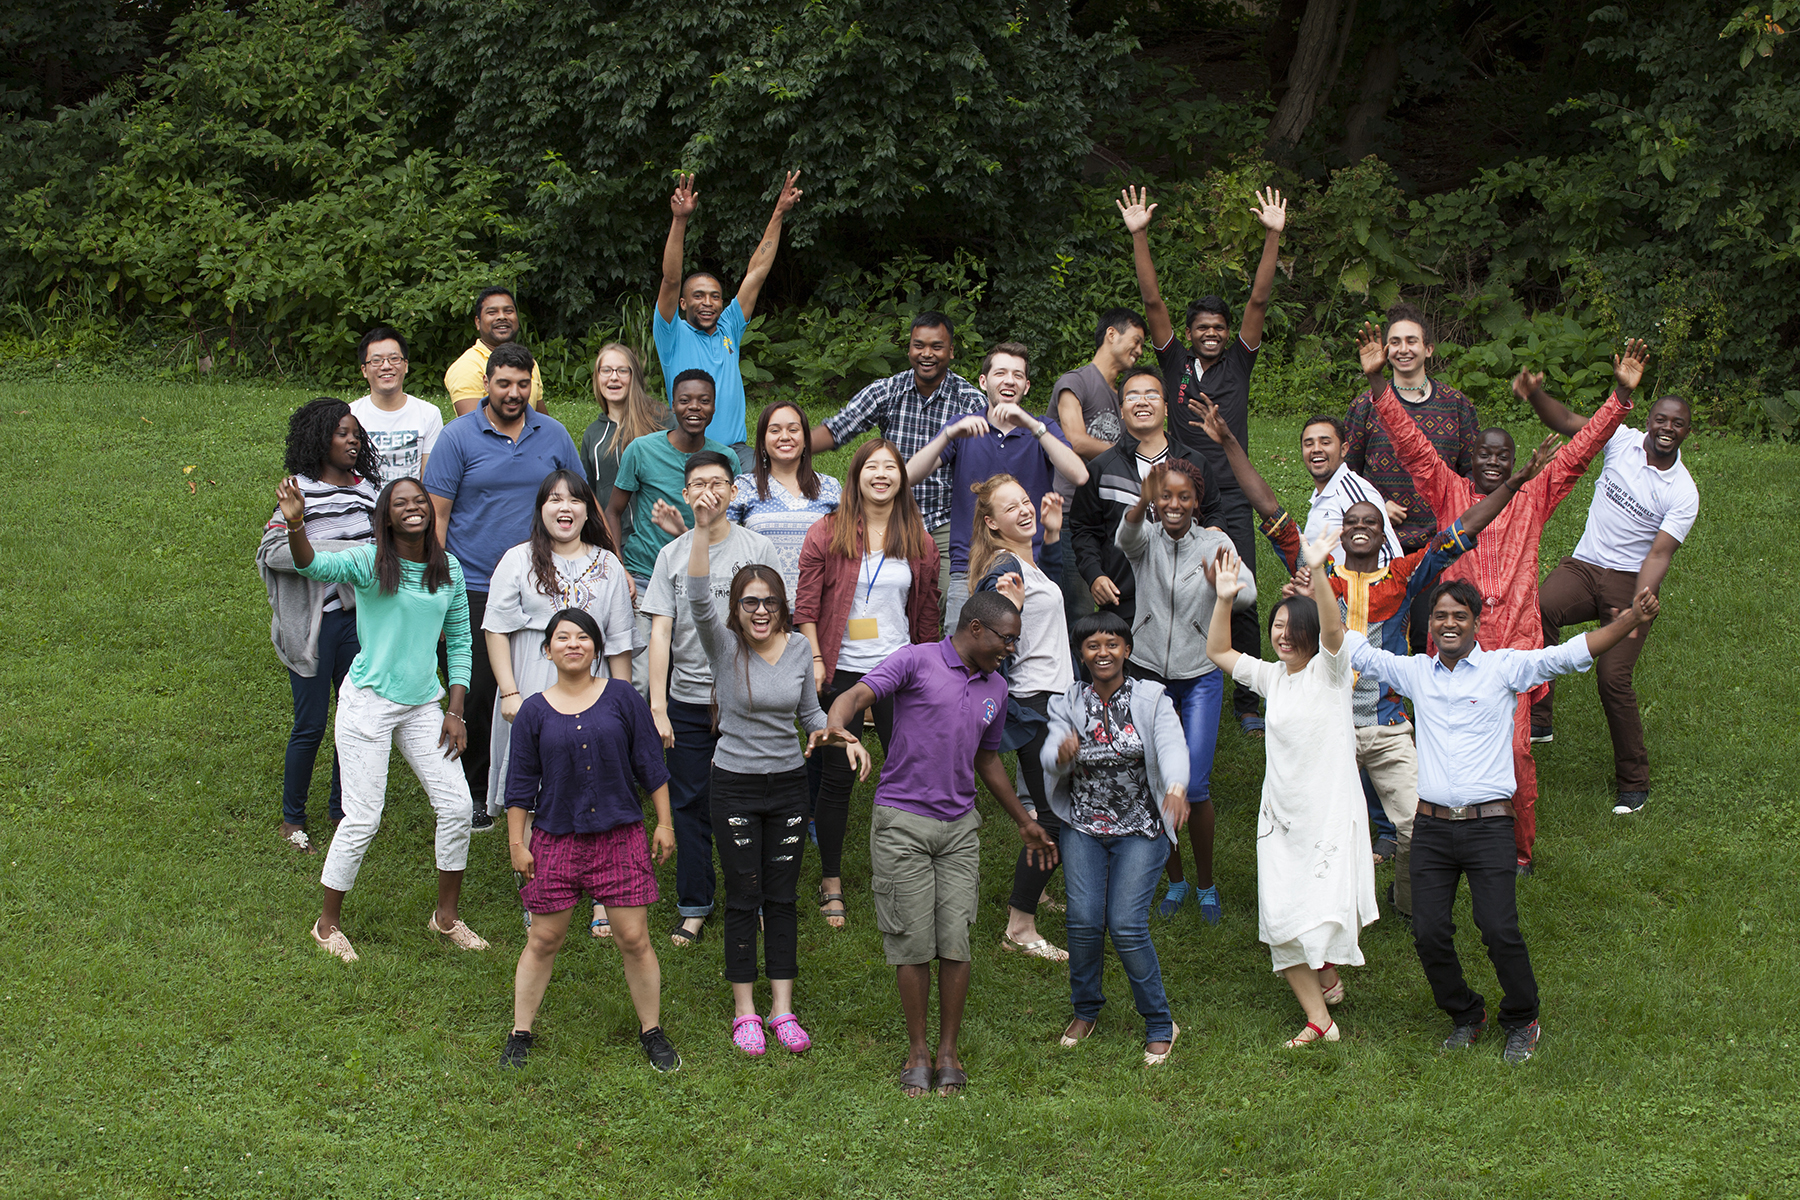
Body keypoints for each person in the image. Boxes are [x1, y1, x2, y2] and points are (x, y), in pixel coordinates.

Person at [1198, 396, 1557, 916]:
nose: (1361, 524)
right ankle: (1331, 907)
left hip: (1389, 724)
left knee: (1417, 822)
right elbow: (1270, 509)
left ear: (1383, 532)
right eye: (1352, 520)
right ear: (1342, 530)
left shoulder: (1405, 577)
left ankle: (1410, 908)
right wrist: (1230, 441)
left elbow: (1465, 528)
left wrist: (1513, 483)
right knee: (1328, 826)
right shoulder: (1323, 576)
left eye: (1371, 519)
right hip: (1331, 723)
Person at [1359, 325, 1649, 867]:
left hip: (1512, 649)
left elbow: (1581, 451)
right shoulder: (1449, 492)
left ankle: (1517, 852)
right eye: (1484, 454)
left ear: (1513, 461)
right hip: (1451, 648)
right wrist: (1379, 384)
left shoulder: (1533, 493)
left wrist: (1622, 398)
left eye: (1502, 455)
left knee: (1517, 752)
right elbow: (1412, 446)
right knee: (1441, 749)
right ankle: (1439, 841)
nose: (1492, 462)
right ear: (1471, 460)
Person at [1349, 579, 1661, 1063]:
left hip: (1488, 826)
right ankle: (1465, 1015)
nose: (1448, 623)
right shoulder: (1415, 673)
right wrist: (1316, 591)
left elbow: (1570, 654)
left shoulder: (1503, 668)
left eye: (1459, 616)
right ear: (1428, 625)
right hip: (1430, 829)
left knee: (1497, 928)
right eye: (1440, 616)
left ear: (1476, 623)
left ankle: (1523, 1017)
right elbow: (1352, 647)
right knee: (1428, 931)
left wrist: (1630, 621)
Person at [813, 591, 1057, 1097]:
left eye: (1015, 640)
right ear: (974, 628)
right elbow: (857, 695)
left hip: (959, 829)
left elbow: (987, 760)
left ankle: (948, 1050)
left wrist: (1022, 821)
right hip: (902, 822)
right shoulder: (917, 660)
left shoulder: (996, 687)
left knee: (956, 940)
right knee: (911, 942)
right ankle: (918, 1048)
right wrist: (838, 727)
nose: (1010, 649)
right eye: (1005, 639)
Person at [276, 476, 489, 963]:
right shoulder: (371, 562)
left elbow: (459, 642)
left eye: (419, 501)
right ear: (386, 516)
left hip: (421, 707)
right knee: (364, 817)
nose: (412, 508)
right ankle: (326, 926)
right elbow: (312, 564)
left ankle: (446, 919)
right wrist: (296, 524)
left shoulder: (447, 569)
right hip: (368, 704)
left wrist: (455, 709)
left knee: (457, 807)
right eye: (400, 503)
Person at [1121, 183, 1285, 736]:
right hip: (1178, 496)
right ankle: (1170, 673)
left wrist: (1272, 235)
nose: (1213, 335)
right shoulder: (1175, 369)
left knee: (1237, 589)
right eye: (1203, 329)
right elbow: (1153, 304)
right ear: (1189, 336)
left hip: (1231, 496)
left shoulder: (1239, 364)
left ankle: (1247, 697)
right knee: (1168, 583)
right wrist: (1140, 234)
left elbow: (1258, 301)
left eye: (1219, 328)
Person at [1206, 533, 1376, 1046]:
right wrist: (1224, 598)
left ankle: (1324, 983)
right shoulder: (1271, 677)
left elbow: (1332, 628)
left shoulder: (1329, 671)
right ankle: (1321, 1018)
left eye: (1287, 627)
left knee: (1325, 906)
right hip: (1280, 821)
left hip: (1327, 812)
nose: (1280, 635)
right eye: (1276, 626)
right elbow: (1217, 649)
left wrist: (1319, 570)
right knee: (1280, 919)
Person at [684, 486, 835, 1055]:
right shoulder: (724, 647)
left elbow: (809, 712)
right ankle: (744, 1012)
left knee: (782, 896)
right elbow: (697, 598)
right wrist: (701, 529)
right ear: (738, 609)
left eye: (769, 600)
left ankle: (783, 1010)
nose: (761, 610)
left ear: (781, 604)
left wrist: (828, 728)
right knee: (743, 894)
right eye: (749, 601)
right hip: (736, 786)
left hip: (789, 787)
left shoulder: (798, 649)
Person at [499, 608, 681, 1073]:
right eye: (562, 637)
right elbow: (519, 786)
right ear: (547, 650)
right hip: (554, 841)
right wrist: (517, 845)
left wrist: (664, 823)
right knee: (543, 938)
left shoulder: (621, 697)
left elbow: (650, 764)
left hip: (620, 836)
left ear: (597, 648)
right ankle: (520, 1032)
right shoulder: (533, 712)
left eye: (583, 637)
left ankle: (652, 1031)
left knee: (635, 938)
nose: (573, 644)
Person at [422, 342, 582, 831]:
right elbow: (437, 516)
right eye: (503, 383)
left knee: (544, 684)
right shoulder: (457, 437)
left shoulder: (551, 431)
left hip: (543, 581)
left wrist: (607, 560)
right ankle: (469, 791)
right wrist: (435, 585)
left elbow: (579, 500)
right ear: (486, 383)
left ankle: (542, 784)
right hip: (472, 581)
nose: (514, 394)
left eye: (522, 384)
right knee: (475, 691)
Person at [1525, 371, 1696, 816]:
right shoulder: (1621, 440)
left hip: (1629, 582)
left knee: (1612, 679)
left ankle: (1634, 783)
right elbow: (1563, 419)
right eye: (1661, 419)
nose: (1666, 428)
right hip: (1584, 567)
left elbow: (1658, 555)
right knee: (1538, 608)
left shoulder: (1682, 492)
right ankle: (1540, 718)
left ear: (1686, 431)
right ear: (1650, 419)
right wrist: (1533, 392)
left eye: (1677, 424)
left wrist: (1641, 604)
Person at [794, 438, 942, 929]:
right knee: (837, 777)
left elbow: (924, 617)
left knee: (908, 776)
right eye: (871, 467)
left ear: (902, 477)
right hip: (842, 668)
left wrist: (930, 673)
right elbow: (807, 606)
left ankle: (904, 872)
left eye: (890, 467)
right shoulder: (828, 531)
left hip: (900, 671)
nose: (881, 474)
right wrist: (815, 658)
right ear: (856, 475)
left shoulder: (918, 539)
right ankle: (831, 879)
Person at [483, 470, 637, 937]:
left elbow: (621, 642)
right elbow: (495, 628)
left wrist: (622, 702)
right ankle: (538, 890)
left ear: (589, 510)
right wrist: (511, 692)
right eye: (553, 499)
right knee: (532, 790)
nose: (564, 508)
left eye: (573, 500)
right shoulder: (517, 559)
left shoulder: (608, 566)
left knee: (597, 784)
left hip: (595, 685)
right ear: (541, 509)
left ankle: (602, 899)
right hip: (531, 678)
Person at [640, 451, 781, 946]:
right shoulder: (672, 554)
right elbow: (661, 631)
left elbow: (776, 625)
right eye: (698, 483)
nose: (708, 491)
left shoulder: (759, 547)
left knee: (753, 801)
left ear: (733, 491)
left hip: (748, 699)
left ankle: (756, 898)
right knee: (690, 801)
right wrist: (658, 705)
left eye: (718, 483)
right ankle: (694, 904)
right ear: (685, 494)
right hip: (687, 699)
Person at [1041, 612, 1189, 1066]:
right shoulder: (1067, 702)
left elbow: (1172, 747)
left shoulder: (1151, 698)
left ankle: (1160, 1023)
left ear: (1126, 650)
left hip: (1142, 827)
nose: (1102, 652)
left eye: (1111, 644)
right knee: (1083, 921)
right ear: (1081, 654)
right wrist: (1060, 754)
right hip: (1085, 826)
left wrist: (1176, 789)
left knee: (1125, 924)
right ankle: (1086, 1011)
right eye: (1092, 645)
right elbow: (1051, 753)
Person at [1115, 459, 1255, 923]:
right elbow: (1125, 538)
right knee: (1159, 778)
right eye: (1165, 496)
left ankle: (1206, 883)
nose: (1173, 505)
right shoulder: (1146, 539)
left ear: (1197, 502)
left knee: (1192, 784)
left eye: (1183, 497)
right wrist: (1141, 499)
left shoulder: (1216, 542)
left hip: (1200, 673)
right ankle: (1175, 881)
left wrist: (1225, 588)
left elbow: (1250, 592)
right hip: (1149, 674)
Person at [257, 398, 380, 852]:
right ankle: (293, 820)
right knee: (310, 723)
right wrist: (334, 554)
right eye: (343, 433)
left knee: (352, 719)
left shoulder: (367, 489)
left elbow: (378, 551)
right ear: (320, 438)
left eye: (356, 434)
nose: (353, 440)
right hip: (314, 625)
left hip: (357, 623)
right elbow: (272, 552)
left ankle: (339, 807)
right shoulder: (299, 491)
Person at [808, 312, 987, 609]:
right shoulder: (889, 390)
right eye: (919, 345)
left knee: (941, 600)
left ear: (951, 351)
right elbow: (838, 428)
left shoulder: (969, 401)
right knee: (875, 593)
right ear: (909, 349)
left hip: (943, 517)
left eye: (937, 346)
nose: (926, 354)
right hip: (888, 511)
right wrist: (788, 449)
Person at [905, 341, 1088, 630]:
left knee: (1028, 656)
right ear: (984, 381)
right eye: (1000, 372)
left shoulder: (1041, 428)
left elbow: (1079, 475)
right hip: (969, 567)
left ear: (1026, 387)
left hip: (1030, 566)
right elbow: (908, 476)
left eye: (1017, 375)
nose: (1009, 380)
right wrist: (948, 435)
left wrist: (1031, 425)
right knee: (961, 660)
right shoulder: (964, 426)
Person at [970, 476, 1074, 961]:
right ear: (992, 522)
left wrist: (1052, 537)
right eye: (1011, 508)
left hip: (1055, 700)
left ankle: (1040, 893)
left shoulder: (1026, 561)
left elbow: (1051, 608)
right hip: (1036, 703)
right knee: (1053, 812)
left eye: (1026, 501)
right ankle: (1019, 925)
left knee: (1057, 806)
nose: (1024, 510)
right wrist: (1005, 607)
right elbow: (986, 630)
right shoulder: (1004, 569)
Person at [654, 171, 803, 463]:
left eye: (715, 296)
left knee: (767, 494)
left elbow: (757, 272)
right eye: (698, 296)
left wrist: (779, 212)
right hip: (685, 451)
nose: (708, 303)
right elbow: (671, 279)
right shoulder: (671, 333)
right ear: (683, 303)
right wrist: (680, 220)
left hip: (735, 451)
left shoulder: (729, 327)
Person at [1070, 368, 1223, 630]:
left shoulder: (1193, 464)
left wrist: (1211, 539)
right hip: (1125, 599)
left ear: (1166, 408)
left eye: (1151, 395)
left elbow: (1215, 512)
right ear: (1120, 410)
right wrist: (1095, 575)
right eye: (1132, 396)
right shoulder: (1101, 469)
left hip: (1187, 597)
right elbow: (1084, 530)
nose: (1142, 401)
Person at [1343, 304, 1480, 553]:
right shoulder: (1364, 406)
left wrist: (1456, 509)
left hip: (1445, 539)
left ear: (1428, 350)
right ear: (1385, 350)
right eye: (1395, 342)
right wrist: (1375, 504)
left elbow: (1472, 472)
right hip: (1381, 540)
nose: (1403, 349)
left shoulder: (1456, 404)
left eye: (1411, 341)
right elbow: (1347, 474)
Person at [1048, 308, 1150, 625]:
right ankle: (1073, 675)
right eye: (1136, 340)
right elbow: (1076, 439)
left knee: (1110, 601)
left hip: (1107, 515)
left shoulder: (1122, 396)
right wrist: (1129, 454)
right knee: (1075, 609)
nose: (1140, 350)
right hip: (1068, 514)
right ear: (1111, 334)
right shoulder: (1076, 382)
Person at [605, 368, 738, 594]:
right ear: (673, 406)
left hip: (703, 575)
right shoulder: (641, 449)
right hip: (644, 574)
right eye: (685, 400)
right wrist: (618, 565)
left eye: (704, 401)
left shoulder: (725, 459)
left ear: (714, 407)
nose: (694, 407)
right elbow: (613, 511)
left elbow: (732, 522)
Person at [727, 399, 841, 596]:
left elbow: (848, 548)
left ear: (806, 439)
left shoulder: (830, 487)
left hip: (820, 607)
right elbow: (722, 543)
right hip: (762, 610)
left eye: (793, 430)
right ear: (762, 441)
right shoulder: (744, 486)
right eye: (775, 430)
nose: (785, 437)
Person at [579, 341, 670, 525]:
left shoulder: (661, 420)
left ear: (633, 376)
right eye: (606, 370)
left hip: (656, 538)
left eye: (622, 370)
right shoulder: (592, 434)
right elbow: (587, 492)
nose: (614, 377)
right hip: (613, 539)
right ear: (597, 378)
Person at [1299, 413, 1403, 563]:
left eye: (1325, 442)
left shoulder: (1352, 491)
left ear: (1344, 449)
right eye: (1309, 444)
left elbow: (1390, 557)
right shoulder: (1321, 495)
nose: (1316, 449)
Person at [350, 326, 442, 481]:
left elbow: (429, 478)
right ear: (364, 370)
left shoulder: (429, 414)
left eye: (394, 359)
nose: (386, 366)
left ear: (405, 366)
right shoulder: (350, 414)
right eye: (376, 360)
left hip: (409, 503)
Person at [444, 287, 546, 416]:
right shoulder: (467, 367)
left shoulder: (527, 361)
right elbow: (473, 428)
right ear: (478, 322)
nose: (502, 317)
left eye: (508, 311)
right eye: (492, 312)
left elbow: (541, 422)